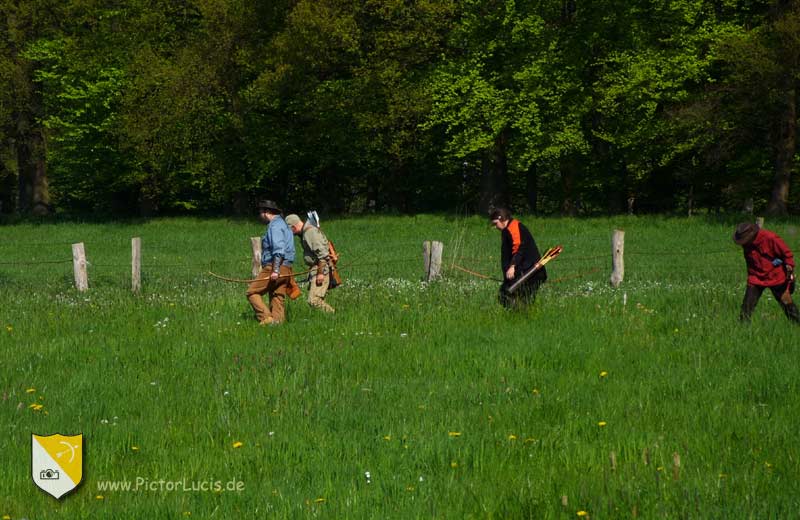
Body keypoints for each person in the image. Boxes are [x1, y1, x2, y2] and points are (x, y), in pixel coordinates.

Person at [733, 222, 799, 324]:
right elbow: (750, 262)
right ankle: (742, 329)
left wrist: (789, 268)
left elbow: (787, 254)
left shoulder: (770, 238)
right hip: (756, 278)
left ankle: (797, 325)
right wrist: (750, 277)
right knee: (746, 307)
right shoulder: (746, 244)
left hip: (776, 276)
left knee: (787, 305)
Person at [246, 200, 297, 325]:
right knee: (277, 296)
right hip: (287, 267)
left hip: (274, 266)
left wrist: (275, 270)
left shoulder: (275, 226)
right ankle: (277, 324)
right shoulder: (285, 225)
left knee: (252, 292)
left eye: (260, 212)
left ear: (267, 212)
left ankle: (266, 318)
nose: (259, 215)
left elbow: (278, 250)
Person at [490, 207, 547, 308]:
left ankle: (523, 317)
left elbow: (519, 248)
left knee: (519, 298)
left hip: (530, 272)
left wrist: (512, 266)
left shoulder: (514, 227)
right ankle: (516, 316)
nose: (495, 227)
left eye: (495, 223)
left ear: (502, 219)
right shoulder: (505, 230)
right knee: (504, 295)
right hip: (519, 271)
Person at [285, 213, 336, 313]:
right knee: (317, 300)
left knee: (313, 300)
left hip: (322, 270)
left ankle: (334, 316)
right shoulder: (307, 232)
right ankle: (328, 318)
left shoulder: (310, 232)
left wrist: (320, 273)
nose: (291, 234)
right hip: (318, 269)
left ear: (293, 227)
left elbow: (323, 255)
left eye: (289, 230)